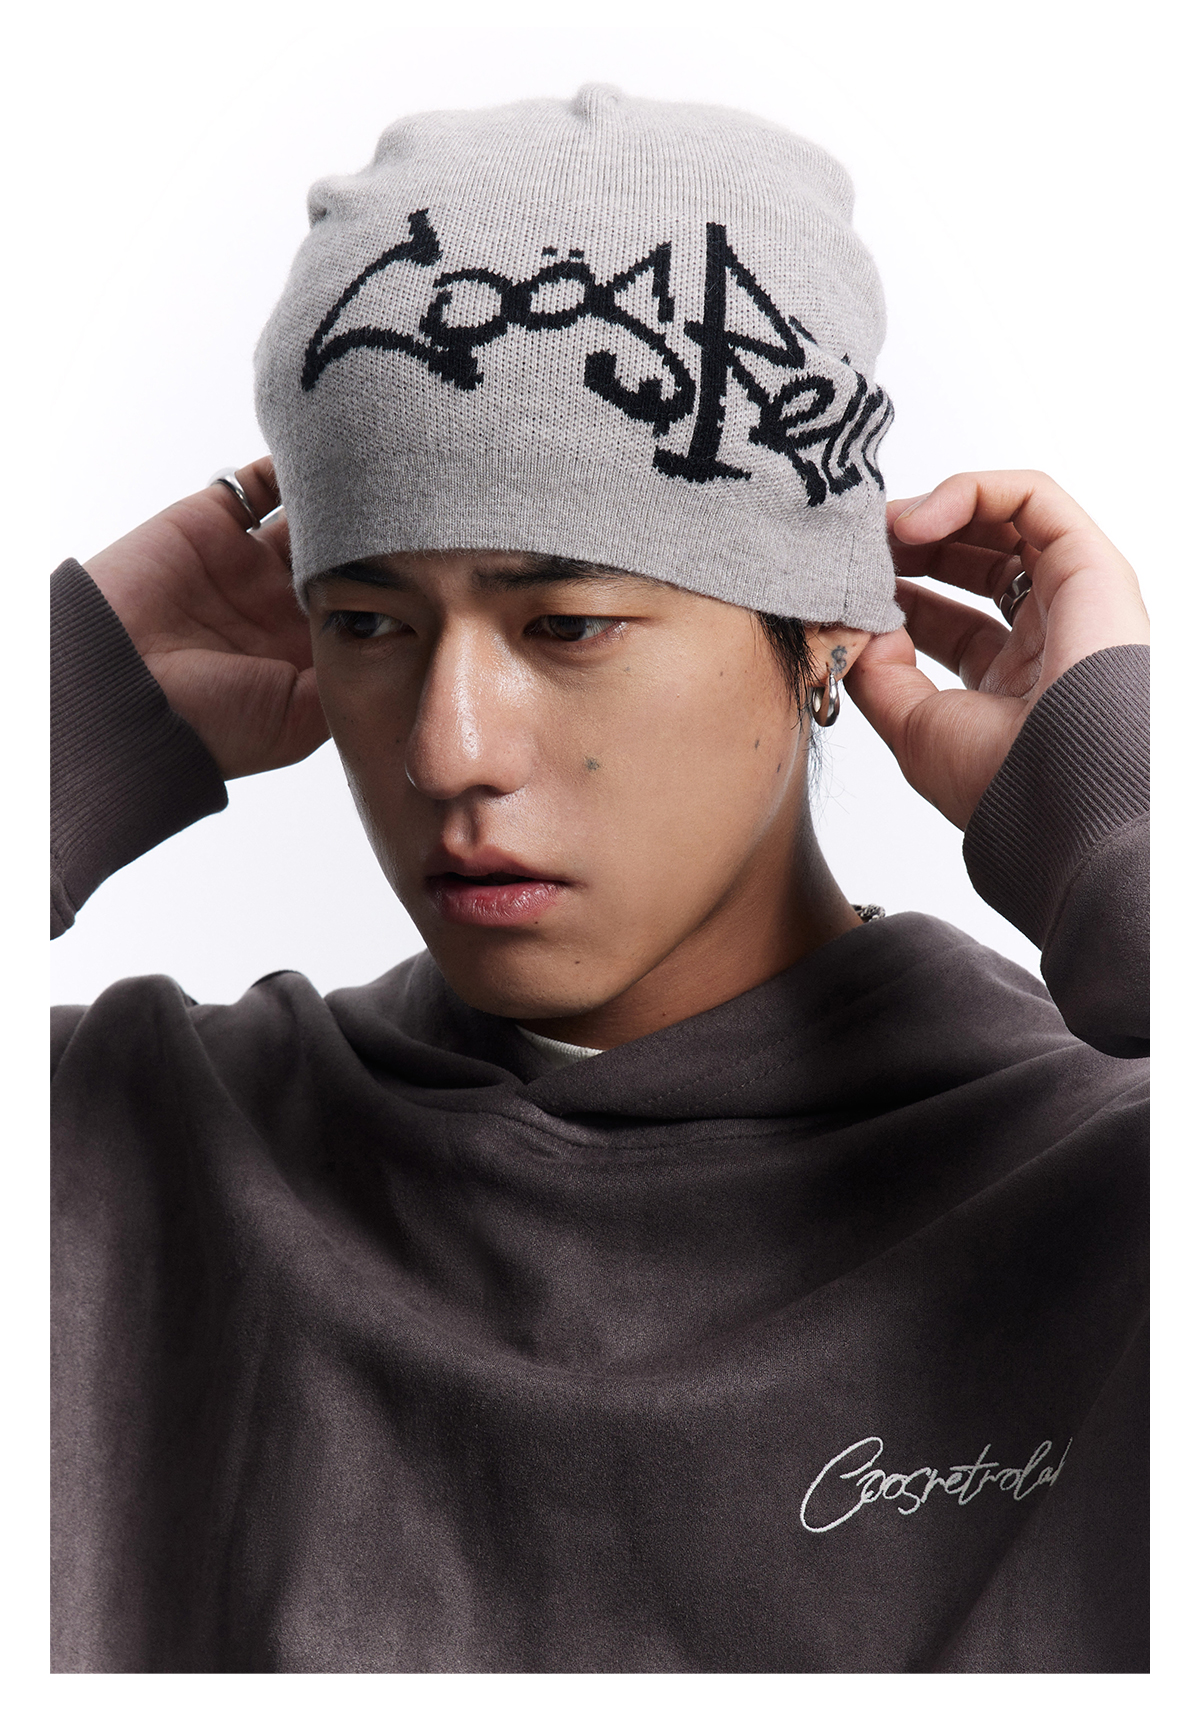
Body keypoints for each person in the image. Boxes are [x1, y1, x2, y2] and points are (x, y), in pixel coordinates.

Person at [50, 86, 1149, 1673]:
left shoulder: (1115, 1195)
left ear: (824, 630)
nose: (447, 747)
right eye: (366, 622)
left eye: (566, 623)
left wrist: (1121, 824)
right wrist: (59, 718)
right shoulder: (129, 1157)